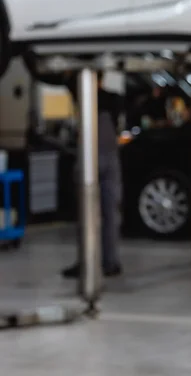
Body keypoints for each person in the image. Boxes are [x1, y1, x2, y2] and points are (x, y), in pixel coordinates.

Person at [62, 71, 124, 278]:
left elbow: (66, 80)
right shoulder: (114, 98)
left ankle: (87, 261)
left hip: (91, 157)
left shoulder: (82, 94)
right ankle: (110, 262)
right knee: (110, 214)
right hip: (111, 156)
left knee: (86, 213)